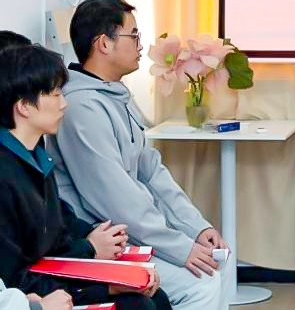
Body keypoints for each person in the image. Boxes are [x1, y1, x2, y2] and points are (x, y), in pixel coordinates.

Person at [48, 0, 234, 310]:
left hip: (137, 232)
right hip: (106, 241)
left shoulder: (115, 94)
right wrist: (179, 247)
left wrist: (196, 227)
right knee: (201, 284)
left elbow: (152, 172)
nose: (140, 45)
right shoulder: (82, 108)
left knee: (220, 263)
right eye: (133, 35)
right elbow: (116, 200)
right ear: (103, 44)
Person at [0, 44, 170, 310]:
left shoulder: (36, 156)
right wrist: (100, 278)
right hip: (32, 296)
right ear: (24, 106)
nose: (64, 103)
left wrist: (99, 247)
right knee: (138, 305)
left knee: (153, 295)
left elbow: (57, 233)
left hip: (52, 277)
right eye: (55, 94)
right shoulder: (5, 175)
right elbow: (14, 282)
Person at [0, 31, 131, 263]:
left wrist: (92, 237)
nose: (64, 104)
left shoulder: (35, 151)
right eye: (55, 94)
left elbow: (56, 220)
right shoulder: (7, 169)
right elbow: (22, 266)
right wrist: (89, 249)